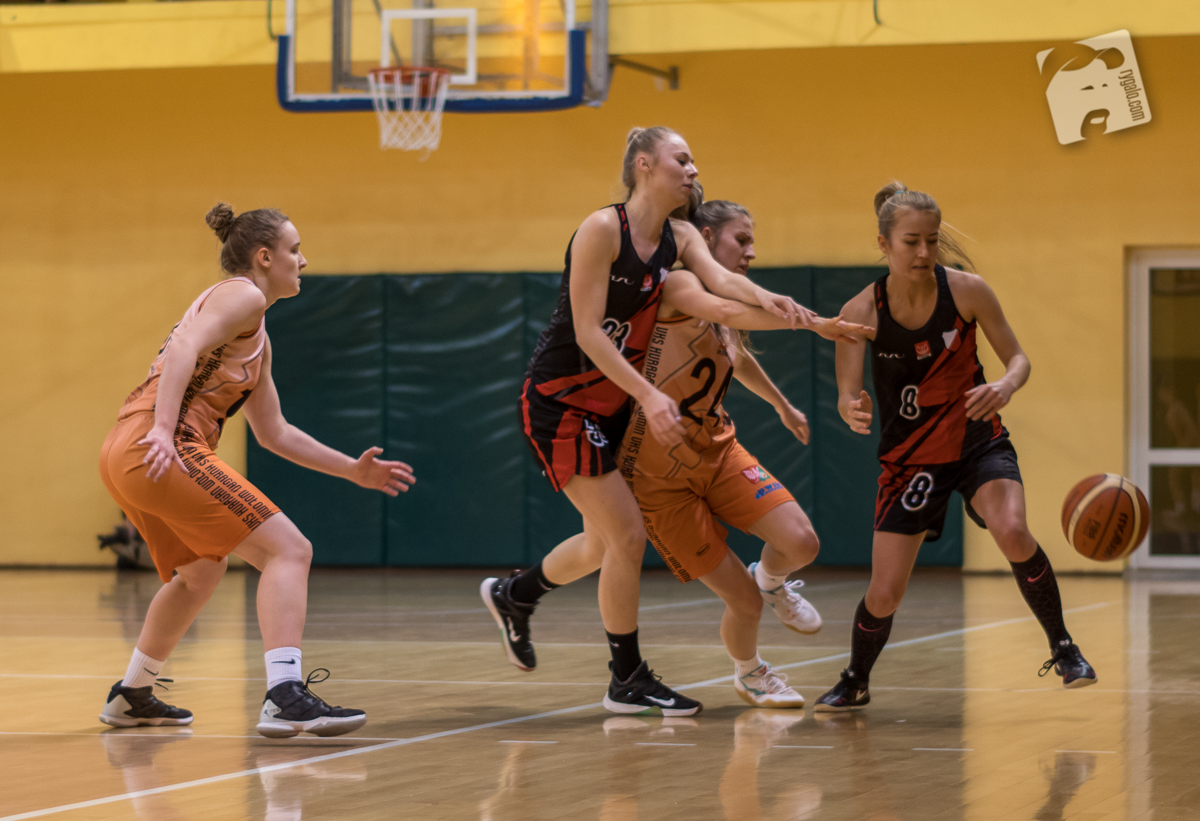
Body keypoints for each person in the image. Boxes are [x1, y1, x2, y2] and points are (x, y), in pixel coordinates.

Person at [486, 127, 815, 717]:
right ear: (643, 164)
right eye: (681, 159)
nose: (692, 169)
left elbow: (724, 284)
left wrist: (769, 298)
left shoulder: (679, 236)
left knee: (602, 542)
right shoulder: (601, 229)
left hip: (611, 405)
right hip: (561, 400)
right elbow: (588, 332)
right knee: (627, 537)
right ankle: (626, 679)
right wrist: (648, 394)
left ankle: (516, 593)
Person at [98, 203, 415, 737]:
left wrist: (351, 471)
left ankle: (133, 692)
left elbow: (275, 433)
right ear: (264, 257)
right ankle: (284, 693)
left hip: (127, 450)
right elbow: (183, 345)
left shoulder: (256, 336)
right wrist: (164, 429)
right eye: (295, 249)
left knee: (202, 572)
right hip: (159, 443)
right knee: (289, 550)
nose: (303, 260)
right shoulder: (242, 294)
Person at [813, 181, 1096, 712]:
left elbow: (1018, 359)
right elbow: (847, 392)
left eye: (932, 240)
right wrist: (851, 407)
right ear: (884, 244)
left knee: (1012, 530)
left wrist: (1005, 385)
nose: (924, 252)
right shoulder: (861, 311)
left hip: (977, 443)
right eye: (911, 242)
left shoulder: (967, 291)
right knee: (885, 592)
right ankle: (855, 679)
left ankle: (1064, 648)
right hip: (911, 460)